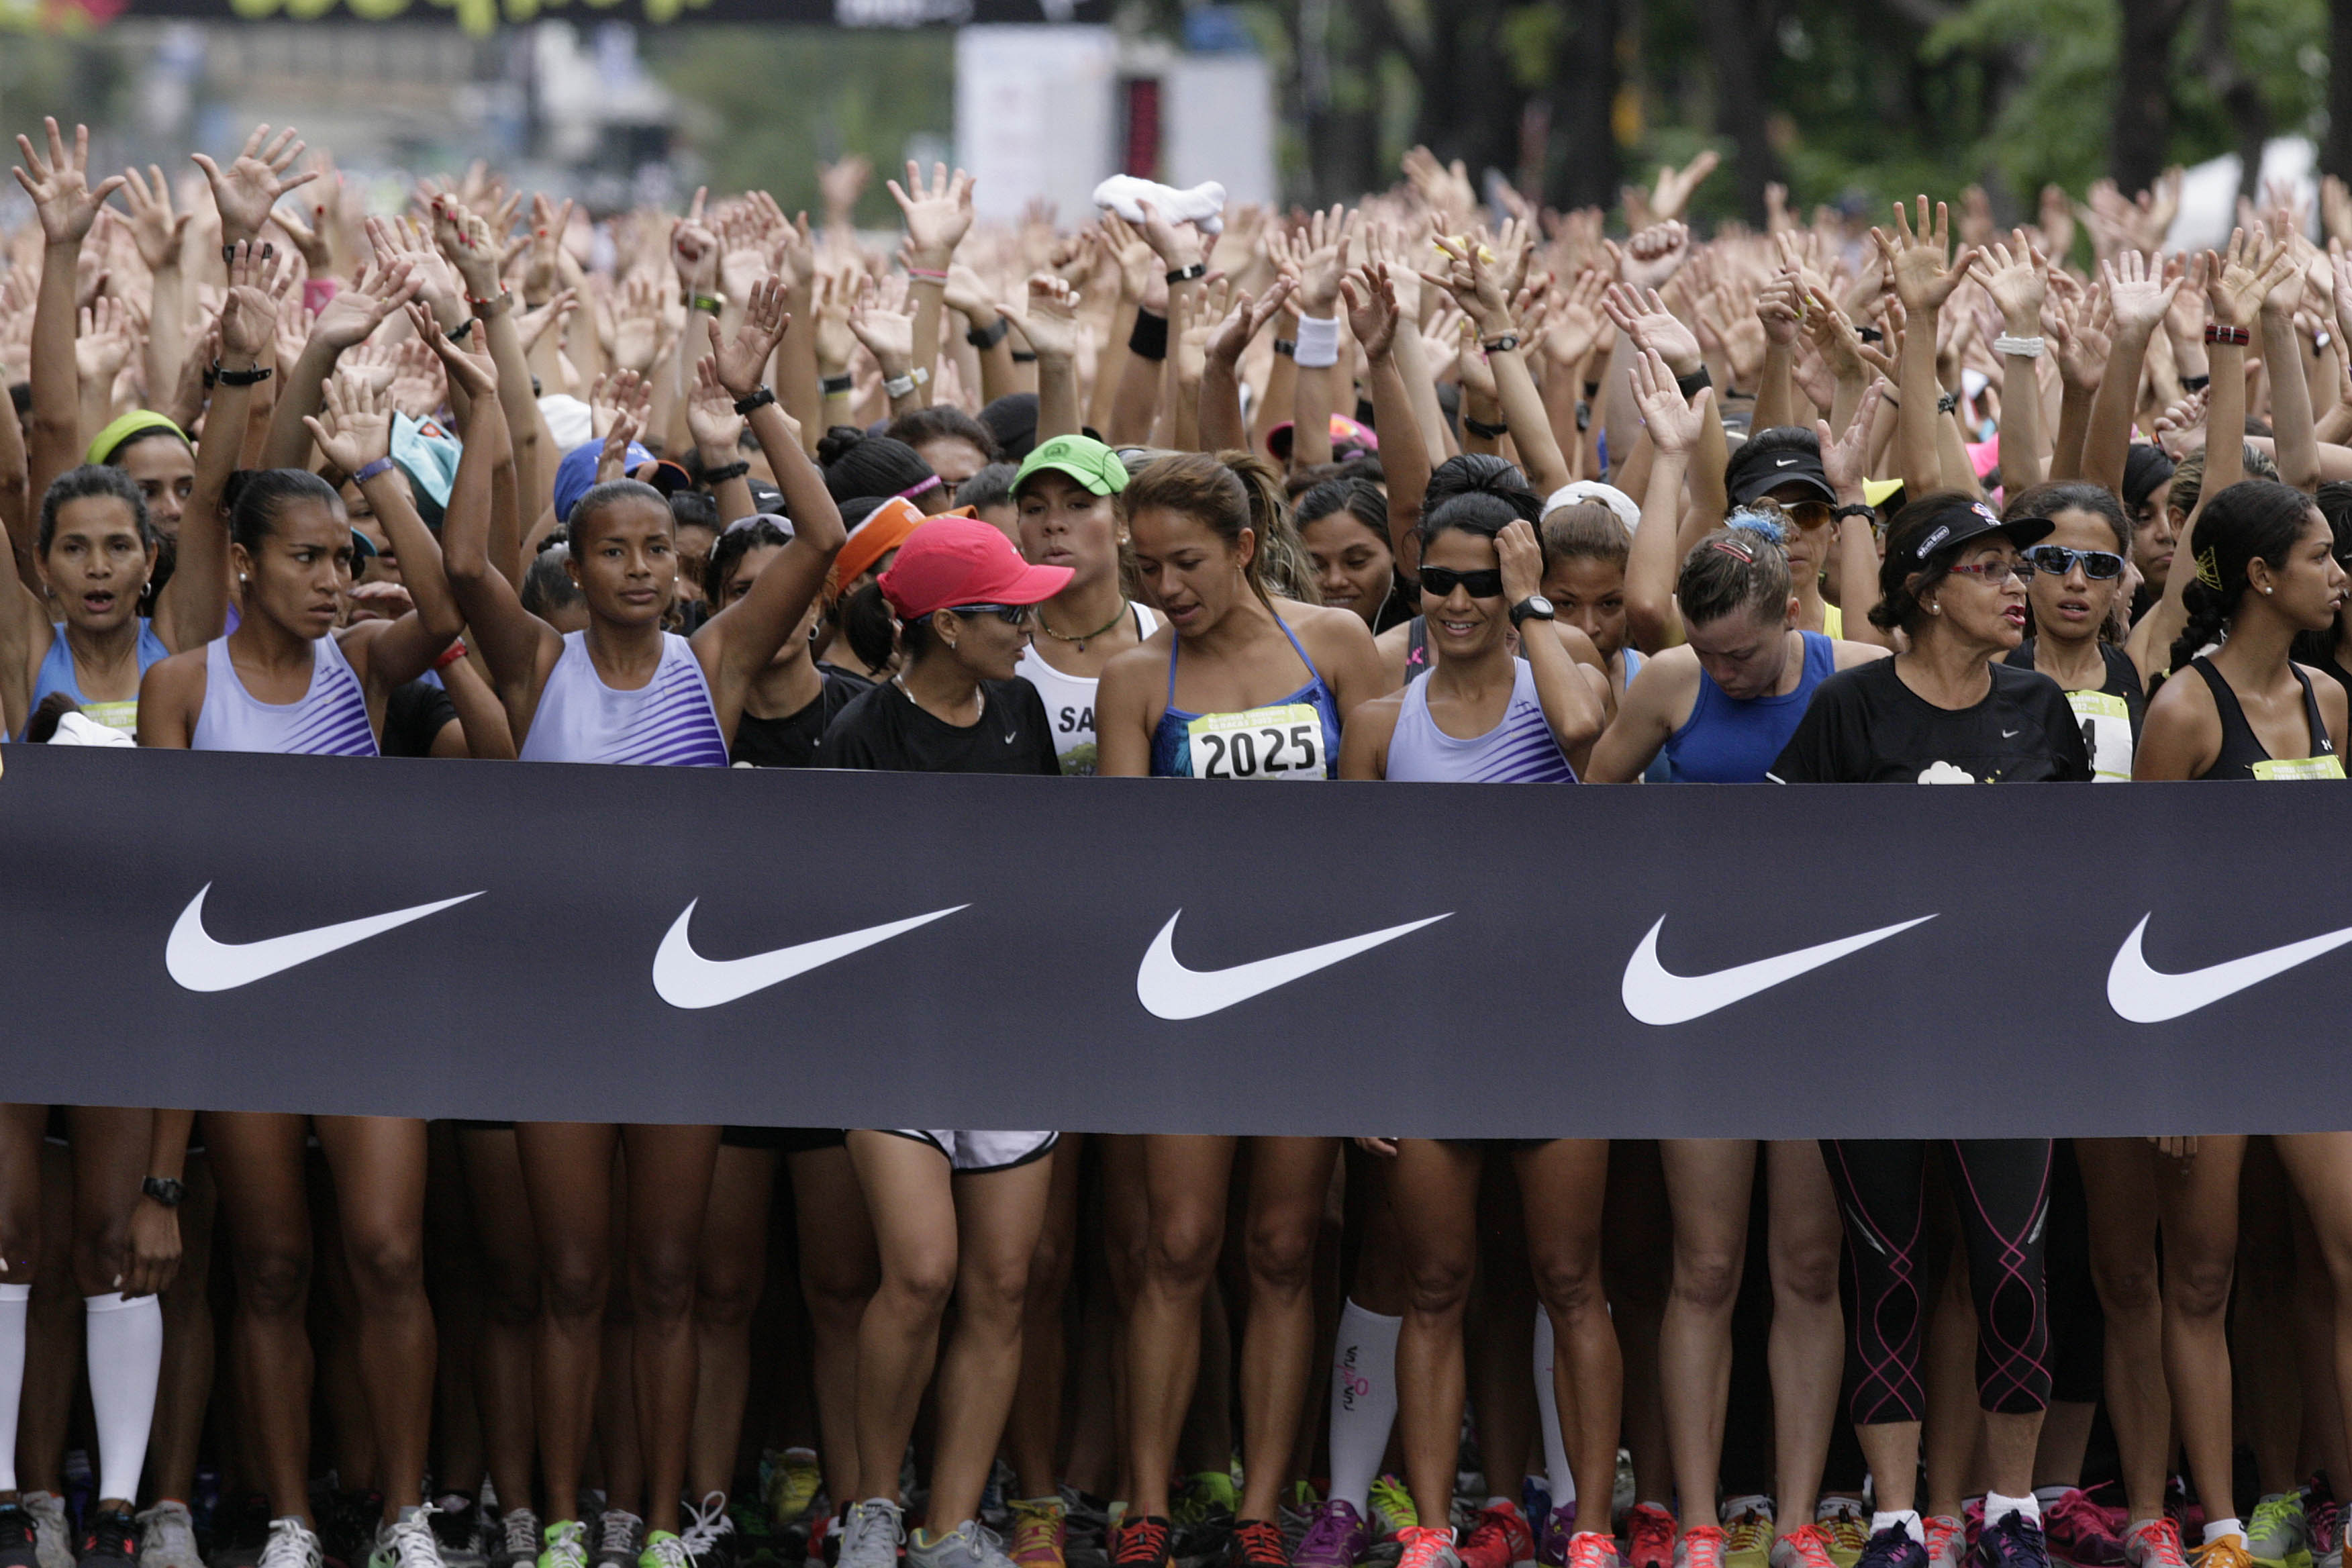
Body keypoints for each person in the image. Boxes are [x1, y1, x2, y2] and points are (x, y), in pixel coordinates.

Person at [437, 281, 842, 1568]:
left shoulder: (711, 663)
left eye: (655, 552)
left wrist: (760, 401)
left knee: (664, 1280)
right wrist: (484, 417)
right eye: (611, 551)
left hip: (678, 1017)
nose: (635, 569)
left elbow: (824, 539)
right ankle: (563, 1518)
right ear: (578, 561)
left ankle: (654, 1520)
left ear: (678, 566)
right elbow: (455, 571)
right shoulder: (539, 665)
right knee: (570, 1282)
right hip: (557, 1015)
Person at [134, 342, 479, 1568]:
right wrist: (163, 1164)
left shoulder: (364, 667)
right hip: (240, 1007)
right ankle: (287, 1516)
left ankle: (402, 1514)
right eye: (309, 556)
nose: (336, 580)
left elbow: (446, 612)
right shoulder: (180, 686)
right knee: (272, 1266)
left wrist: (377, 474)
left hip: (366, 1002)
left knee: (386, 1250)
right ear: (241, 564)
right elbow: (173, 886)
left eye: (346, 559)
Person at [1771, 493, 2085, 1568]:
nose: (2019, 587)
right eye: (1991, 567)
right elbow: (1778, 879)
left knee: (2012, 1275)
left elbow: (2080, 879)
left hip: (2008, 1044)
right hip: (1874, 1043)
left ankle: (2009, 1512)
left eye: (2021, 567)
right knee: (1888, 1273)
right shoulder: (1849, 711)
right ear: (1923, 590)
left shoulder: (2041, 707)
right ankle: (1899, 1518)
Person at [1090, 452, 1383, 1568]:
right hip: (1188, 994)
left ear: (1245, 549)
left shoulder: (1338, 645)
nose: (1165, 587)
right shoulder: (1134, 679)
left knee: (1279, 1249)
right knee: (1174, 1244)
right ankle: (1146, 1505)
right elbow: (1118, 860)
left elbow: (1379, 838)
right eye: (1146, 566)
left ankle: (1262, 1507)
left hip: (1311, 993)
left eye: (1186, 563)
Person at [815, 513, 1068, 1568]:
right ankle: (876, 1505)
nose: (1028, 624)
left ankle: (952, 1526)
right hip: (892, 1035)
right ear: (948, 625)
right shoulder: (860, 733)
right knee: (919, 1274)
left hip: (1012, 1035)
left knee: (1003, 1286)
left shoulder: (1021, 710)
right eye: (1008, 612)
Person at [1008, 434, 1159, 775]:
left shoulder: (1171, 636)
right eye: (1035, 509)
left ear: (1123, 524)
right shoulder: (997, 652)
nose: (1053, 524)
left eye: (1078, 504)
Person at [2000, 483, 2145, 780]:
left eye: (2100, 565)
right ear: (2025, 569)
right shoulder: (1992, 663)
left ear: (2119, 581)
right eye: (2055, 560)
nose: (2077, 581)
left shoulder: (2141, 666)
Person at [704, 515, 871, 767]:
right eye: (743, 592)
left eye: (788, 588)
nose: (765, 610)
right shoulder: (688, 719)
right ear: (713, 610)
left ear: (816, 605)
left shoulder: (870, 716)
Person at [1297, 477, 1409, 634]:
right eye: (1315, 566)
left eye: (1356, 562)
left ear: (1394, 550)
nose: (1335, 581)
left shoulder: (1426, 628)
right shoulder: (1284, 635)